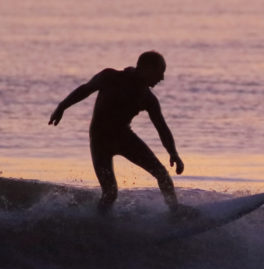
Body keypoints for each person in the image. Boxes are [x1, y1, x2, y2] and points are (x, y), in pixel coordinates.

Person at [49, 51, 186, 215]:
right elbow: (85, 89)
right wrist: (62, 107)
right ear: (146, 69)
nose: (162, 78)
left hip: (124, 137)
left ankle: (174, 212)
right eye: (160, 72)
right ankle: (99, 223)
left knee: (162, 175)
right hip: (100, 139)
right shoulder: (110, 77)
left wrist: (173, 153)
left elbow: (161, 128)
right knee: (110, 193)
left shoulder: (148, 98)